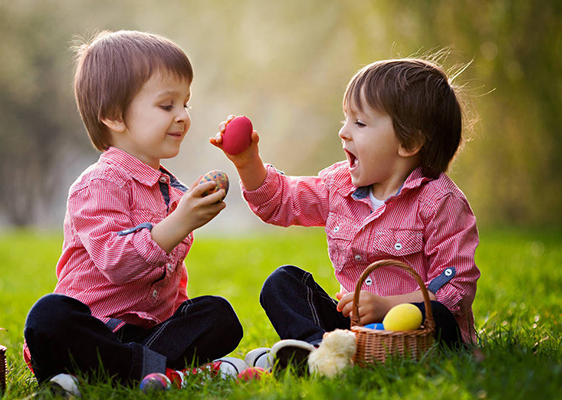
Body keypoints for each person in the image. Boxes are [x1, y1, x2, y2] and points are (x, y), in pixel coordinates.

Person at [211, 57, 480, 372]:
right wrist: (247, 162)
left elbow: (456, 290)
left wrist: (386, 306)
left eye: (360, 123)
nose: (343, 132)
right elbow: (282, 201)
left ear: (409, 143)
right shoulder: (338, 185)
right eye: (346, 119)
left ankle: (326, 355)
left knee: (444, 315)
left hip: (419, 331)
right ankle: (318, 352)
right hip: (355, 329)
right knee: (282, 282)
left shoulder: (439, 202)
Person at [24, 30, 243, 388]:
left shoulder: (173, 192)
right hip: (94, 330)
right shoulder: (98, 184)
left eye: (186, 104)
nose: (183, 116)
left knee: (218, 315)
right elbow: (116, 262)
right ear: (114, 115)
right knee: (48, 316)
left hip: (148, 335)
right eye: (167, 105)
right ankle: (157, 371)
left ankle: (134, 371)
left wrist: (182, 320)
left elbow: (172, 284)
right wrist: (178, 223)